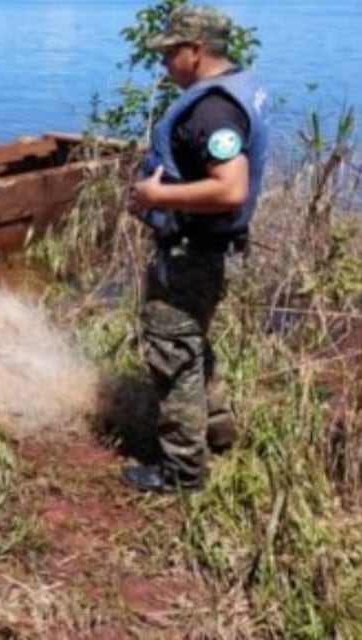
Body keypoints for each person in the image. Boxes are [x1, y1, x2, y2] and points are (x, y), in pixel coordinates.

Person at [122, 5, 269, 493]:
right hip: (205, 250)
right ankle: (219, 432)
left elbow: (230, 190)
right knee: (190, 343)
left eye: (170, 52)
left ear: (196, 51)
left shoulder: (213, 109)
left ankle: (182, 472)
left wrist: (156, 196)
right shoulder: (232, 91)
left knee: (171, 352)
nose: (164, 62)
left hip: (191, 253)